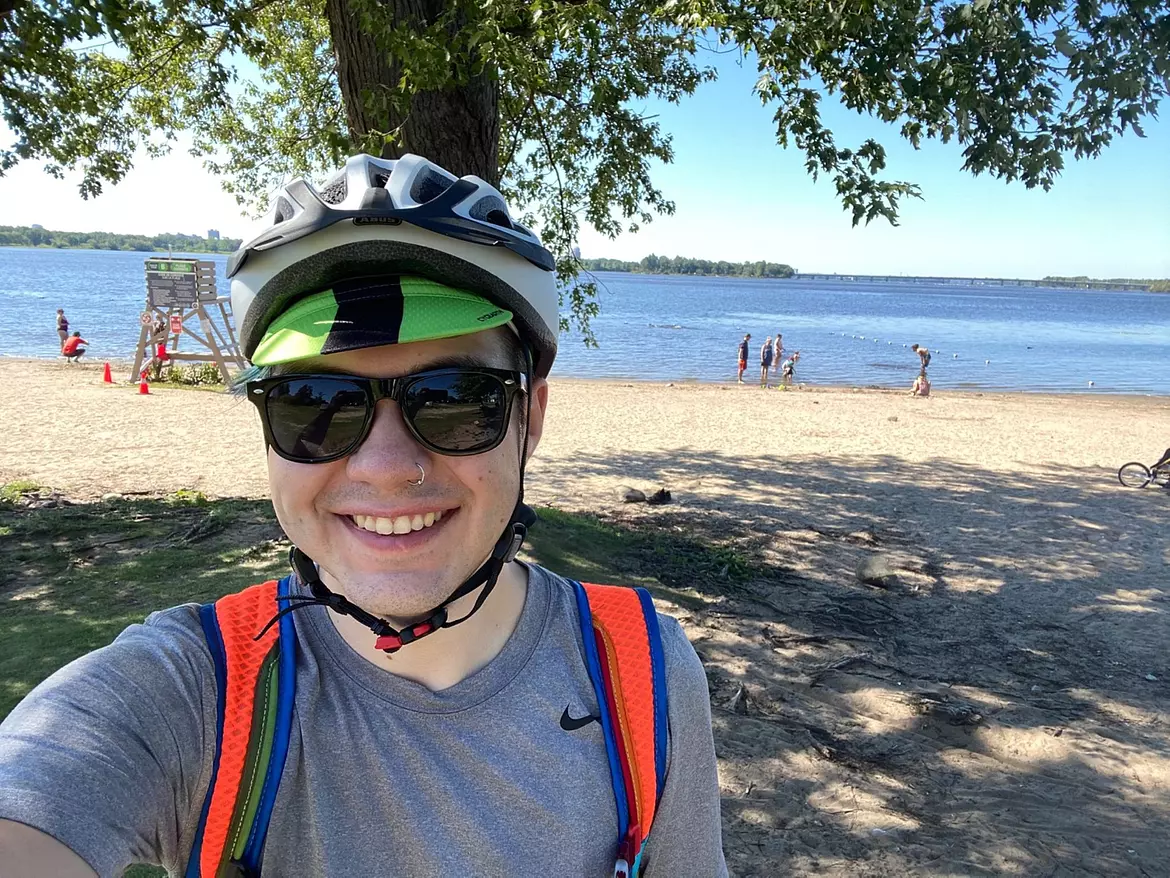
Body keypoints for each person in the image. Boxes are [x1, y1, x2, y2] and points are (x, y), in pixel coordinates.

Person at [0, 153, 727, 877]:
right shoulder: (193, 693)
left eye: (453, 398)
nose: (384, 467)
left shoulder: (646, 677)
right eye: (312, 403)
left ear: (529, 418)